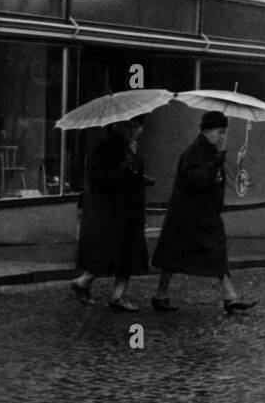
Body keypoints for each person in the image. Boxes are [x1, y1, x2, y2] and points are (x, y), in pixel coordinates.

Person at [150, 111, 252, 313]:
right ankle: (161, 294)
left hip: (204, 215)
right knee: (175, 256)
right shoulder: (193, 153)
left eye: (224, 132)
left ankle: (230, 296)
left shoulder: (210, 152)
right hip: (188, 216)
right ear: (207, 131)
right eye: (219, 132)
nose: (222, 136)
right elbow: (196, 180)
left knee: (213, 253)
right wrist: (215, 163)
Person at [71, 117, 150, 311]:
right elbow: (99, 176)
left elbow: (133, 171)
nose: (138, 131)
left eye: (139, 127)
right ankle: (84, 281)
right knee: (110, 252)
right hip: (113, 210)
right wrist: (125, 164)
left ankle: (117, 296)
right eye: (134, 127)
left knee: (128, 255)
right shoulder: (105, 147)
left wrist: (137, 170)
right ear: (123, 127)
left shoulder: (128, 147)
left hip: (129, 210)